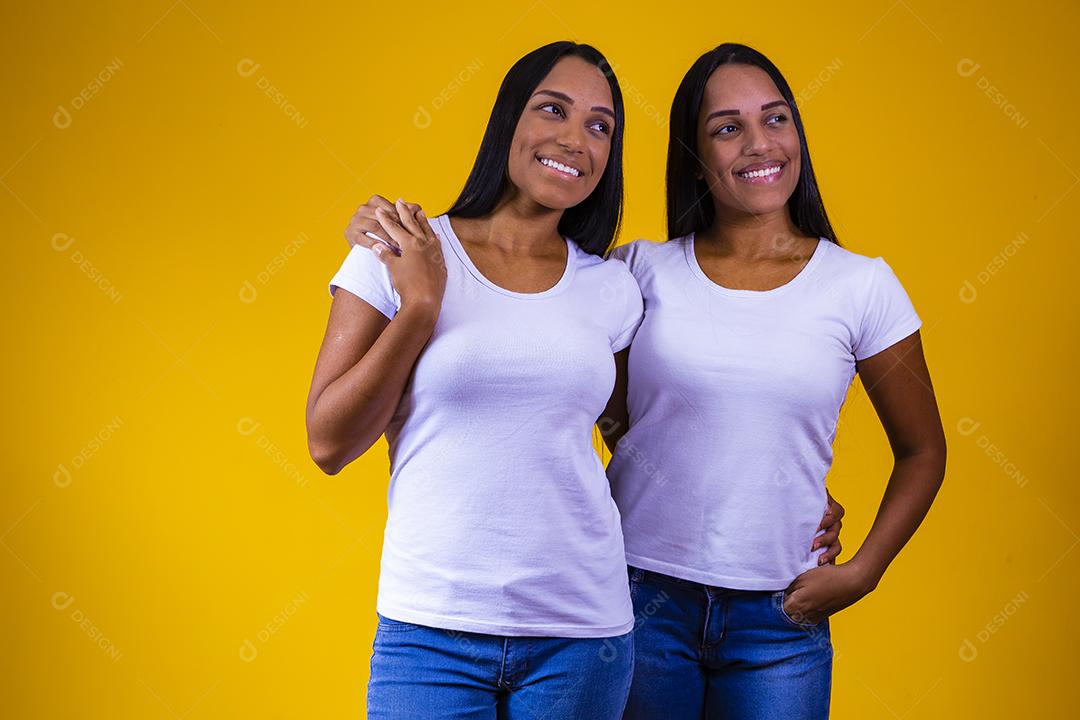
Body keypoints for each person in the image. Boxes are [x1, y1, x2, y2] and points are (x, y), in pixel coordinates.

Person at [603, 43, 947, 719]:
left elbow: (924, 450)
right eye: (728, 127)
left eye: (776, 119)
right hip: (639, 600)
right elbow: (613, 419)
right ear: (696, 158)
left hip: (779, 621)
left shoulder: (862, 287)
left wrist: (862, 572)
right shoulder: (638, 271)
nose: (760, 143)